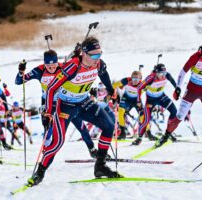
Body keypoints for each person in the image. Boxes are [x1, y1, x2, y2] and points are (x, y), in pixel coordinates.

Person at [28, 36, 122, 187]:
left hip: (84, 102)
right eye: (94, 55)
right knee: (57, 142)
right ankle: (40, 172)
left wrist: (112, 91)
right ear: (84, 54)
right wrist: (47, 113)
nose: (97, 58)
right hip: (65, 105)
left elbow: (104, 75)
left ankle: (100, 166)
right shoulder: (72, 66)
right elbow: (51, 88)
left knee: (109, 126)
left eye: (100, 54)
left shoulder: (98, 64)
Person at [15, 49, 97, 157]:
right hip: (47, 102)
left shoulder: (64, 67)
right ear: (44, 64)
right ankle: (46, 153)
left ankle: (92, 150)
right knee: (48, 129)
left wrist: (87, 90)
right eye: (49, 67)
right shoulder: (39, 71)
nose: (52, 69)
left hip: (64, 101)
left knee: (80, 125)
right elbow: (18, 81)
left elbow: (80, 77)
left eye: (54, 66)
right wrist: (21, 72)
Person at [157, 36, 202, 152]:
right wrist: (178, 88)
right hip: (192, 91)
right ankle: (165, 136)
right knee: (180, 116)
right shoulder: (196, 57)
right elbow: (182, 72)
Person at [132, 63, 178, 145]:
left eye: (164, 73)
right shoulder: (151, 77)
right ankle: (139, 138)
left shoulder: (166, 75)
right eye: (161, 73)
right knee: (146, 120)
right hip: (150, 100)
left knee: (174, 111)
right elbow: (139, 88)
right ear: (156, 72)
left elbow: (173, 82)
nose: (163, 75)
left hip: (161, 97)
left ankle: (168, 133)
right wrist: (138, 101)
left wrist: (177, 88)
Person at [113, 71, 143, 140]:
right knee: (120, 112)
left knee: (142, 115)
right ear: (131, 78)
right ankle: (123, 132)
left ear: (140, 79)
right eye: (133, 79)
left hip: (136, 100)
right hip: (126, 98)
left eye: (137, 79)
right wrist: (114, 93)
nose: (135, 81)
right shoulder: (126, 80)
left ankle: (148, 132)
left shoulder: (142, 84)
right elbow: (114, 85)